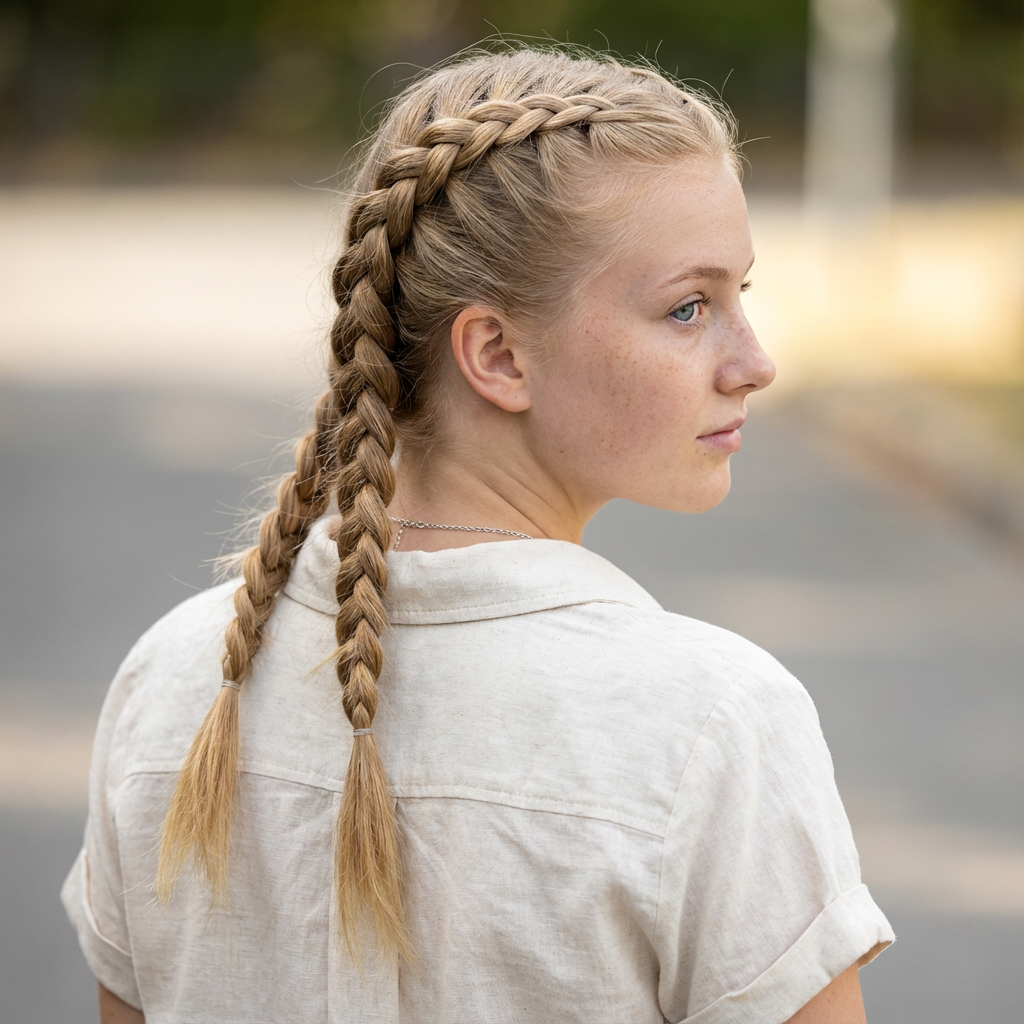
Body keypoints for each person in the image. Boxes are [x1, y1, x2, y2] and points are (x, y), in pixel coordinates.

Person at [63, 46, 893, 1024]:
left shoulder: (176, 677)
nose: (753, 361)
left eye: (739, 295)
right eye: (688, 306)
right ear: (497, 354)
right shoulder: (711, 727)